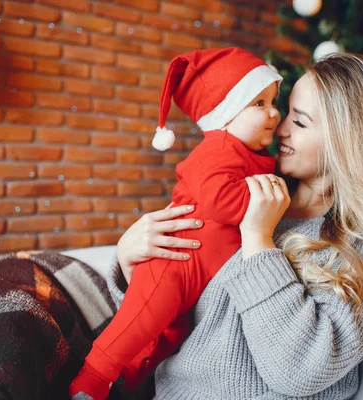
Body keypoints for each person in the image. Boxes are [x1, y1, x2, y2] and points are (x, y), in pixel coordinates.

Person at [109, 52, 363, 399]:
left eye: (301, 121)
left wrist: (257, 238)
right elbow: (181, 316)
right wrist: (131, 264)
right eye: (287, 110)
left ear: (346, 140)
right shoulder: (242, 191)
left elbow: (300, 372)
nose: (279, 127)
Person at [70, 47, 283, 399]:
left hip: (197, 273)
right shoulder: (218, 150)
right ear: (225, 114)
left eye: (274, 101)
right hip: (174, 264)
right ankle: (92, 378)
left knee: (164, 340)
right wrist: (263, 201)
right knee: (137, 325)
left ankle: (131, 387)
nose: (274, 113)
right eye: (258, 104)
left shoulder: (251, 156)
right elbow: (220, 201)